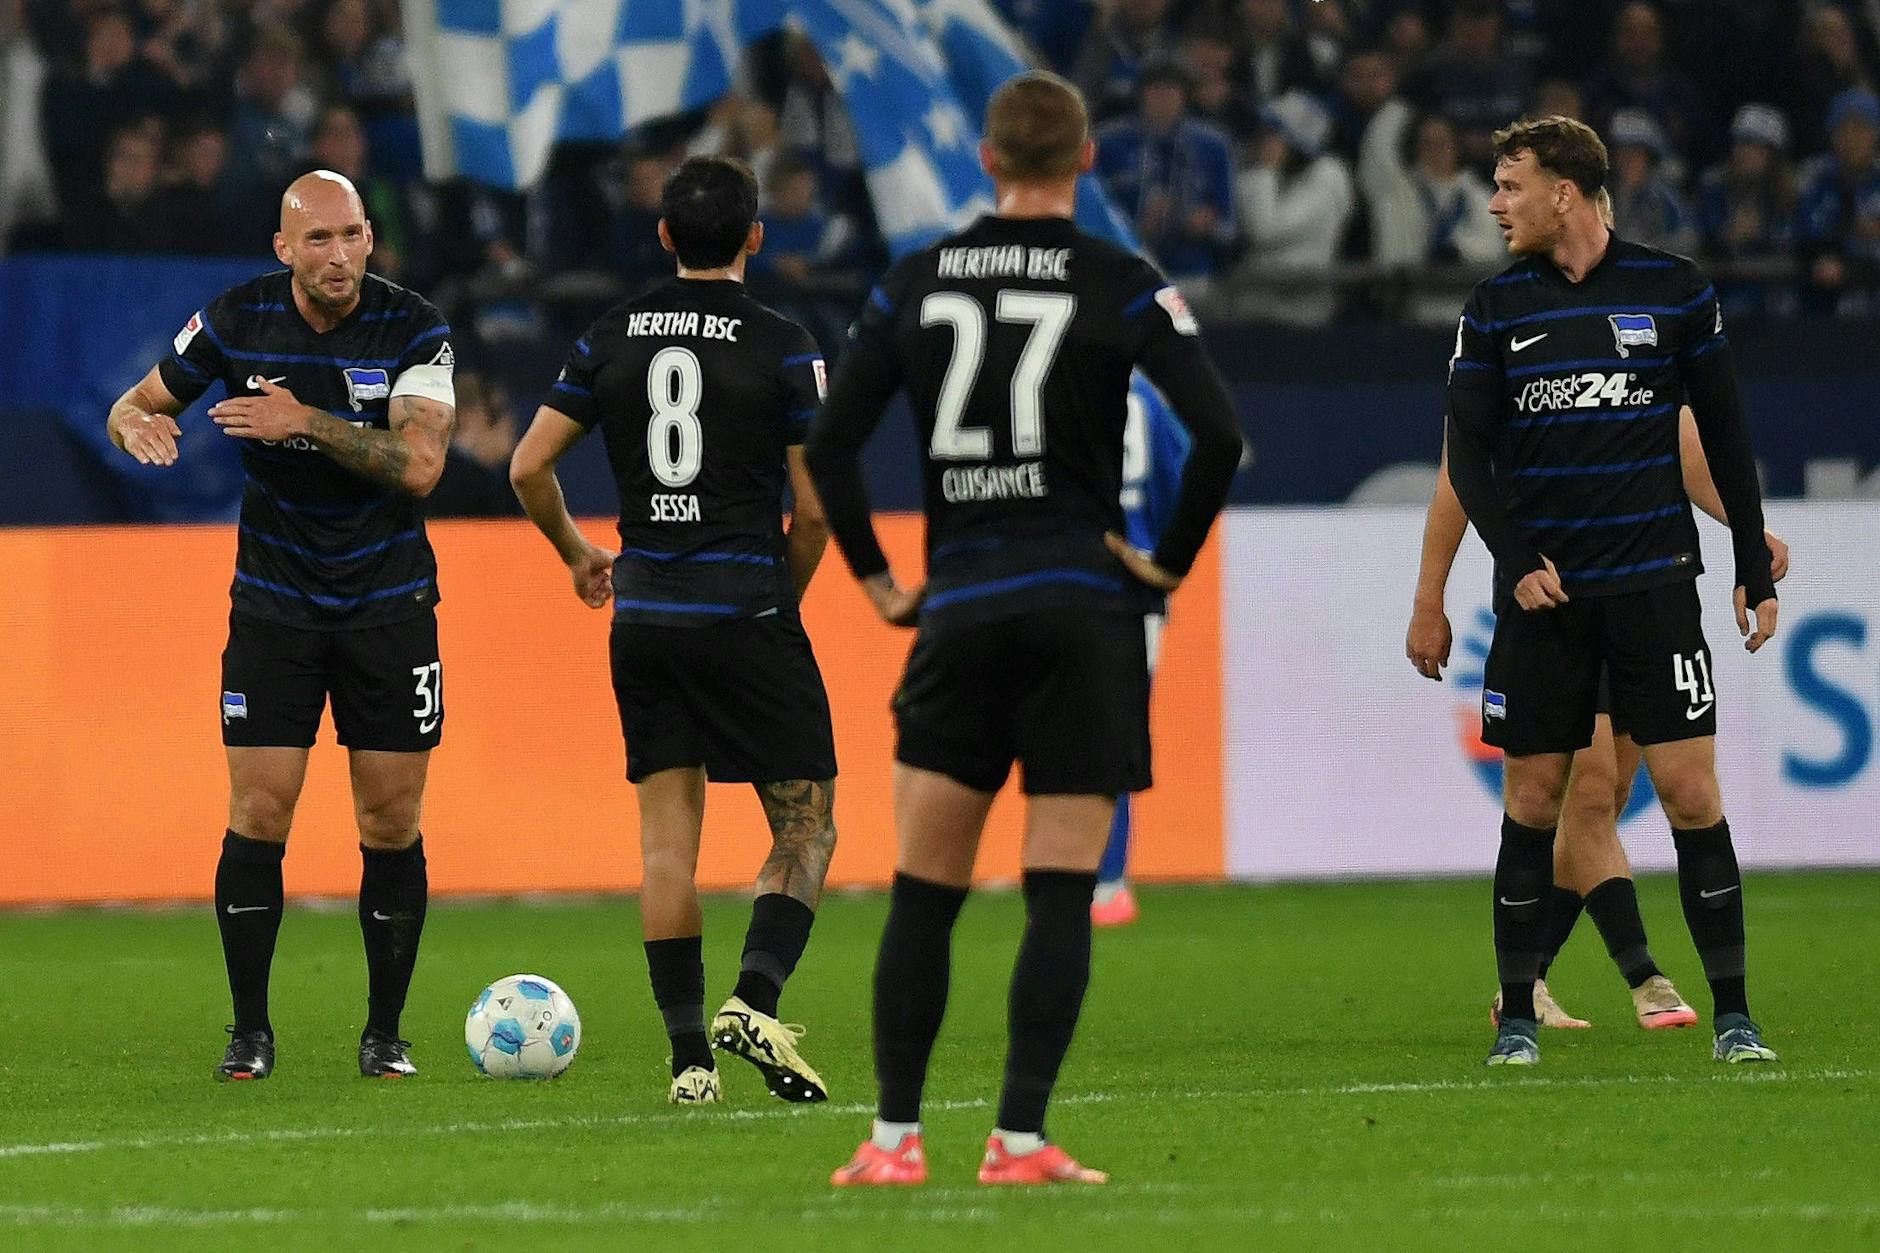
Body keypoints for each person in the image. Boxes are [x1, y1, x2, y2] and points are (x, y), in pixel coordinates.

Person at [807, 70, 1242, 1186]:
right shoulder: (1120, 278)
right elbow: (1218, 435)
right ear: (1085, 161)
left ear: (987, 162)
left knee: (925, 888)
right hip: (1080, 611)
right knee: (1058, 889)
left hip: (958, 607)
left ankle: (894, 1139)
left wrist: (870, 575)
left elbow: (828, 447)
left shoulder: (915, 279)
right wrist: (1161, 564)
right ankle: (1019, 1137)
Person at [104, 170, 457, 1082]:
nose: (336, 256)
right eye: (317, 241)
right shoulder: (236, 318)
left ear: (371, 238)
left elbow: (419, 465)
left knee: (389, 819)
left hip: (389, 605)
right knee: (260, 811)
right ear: (283, 249)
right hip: (274, 604)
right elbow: (138, 399)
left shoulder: (416, 326)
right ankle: (249, 1031)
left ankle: (385, 1033)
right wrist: (131, 422)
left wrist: (307, 419)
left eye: (349, 236)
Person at [1444, 116, 1779, 1069]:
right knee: (1536, 796)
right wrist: (1512, 560)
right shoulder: (1496, 306)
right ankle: (1516, 1016)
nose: (1497, 203)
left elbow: (1723, 431)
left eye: (1511, 185)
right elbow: (1464, 451)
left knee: (1687, 791)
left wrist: (1752, 559)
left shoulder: (1674, 292)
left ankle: (1736, 1017)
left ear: (1565, 192)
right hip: (1547, 600)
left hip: (1655, 590)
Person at [508, 155, 839, 1107]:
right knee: (806, 826)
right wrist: (786, 595)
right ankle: (755, 998)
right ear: (756, 237)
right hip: (745, 605)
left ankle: (690, 1060)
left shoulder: (611, 334)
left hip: (646, 612)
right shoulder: (783, 341)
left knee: (665, 846)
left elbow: (529, 466)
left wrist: (579, 552)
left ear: (662, 237)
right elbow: (812, 509)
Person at [1408, 406, 1790, 1029]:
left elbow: (1685, 442)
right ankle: (1645, 974)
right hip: (1552, 602)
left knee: (1607, 797)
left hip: (1639, 593)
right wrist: (1430, 598)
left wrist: (1745, 529)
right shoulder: (1501, 326)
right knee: (1585, 795)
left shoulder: (1645, 325)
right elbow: (1461, 472)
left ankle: (1525, 985)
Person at [1092, 386, 1192, 928]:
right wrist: (1167, 558)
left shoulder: (1061, 375)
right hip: (1138, 578)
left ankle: (1072, 875)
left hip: (1067, 570)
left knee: (1065, 728)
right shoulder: (1149, 394)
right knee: (1118, 730)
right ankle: (1107, 884)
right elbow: (1187, 472)